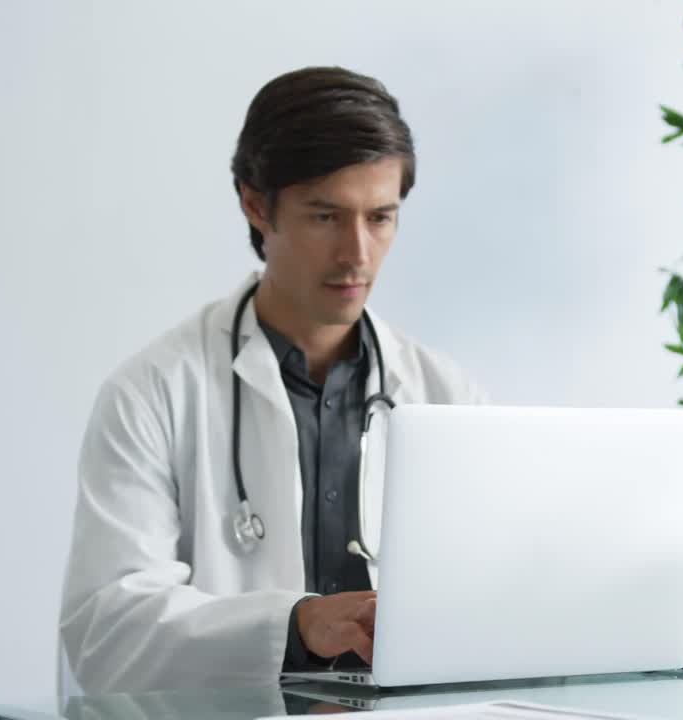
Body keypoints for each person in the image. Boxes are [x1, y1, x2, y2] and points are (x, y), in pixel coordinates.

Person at [59, 66, 487, 694]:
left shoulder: (448, 397)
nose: (357, 254)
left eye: (380, 218)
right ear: (256, 205)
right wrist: (295, 626)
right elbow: (106, 632)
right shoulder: (152, 393)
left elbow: (490, 608)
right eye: (325, 217)